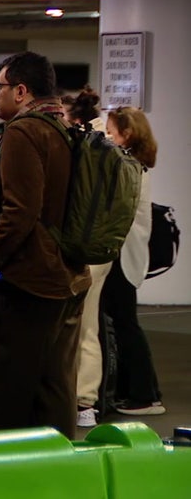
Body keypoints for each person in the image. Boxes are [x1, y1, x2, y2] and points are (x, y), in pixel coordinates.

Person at [0, 52, 91, 439]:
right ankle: (56, 470)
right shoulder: (62, 126)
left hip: (27, 281)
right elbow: (48, 203)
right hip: (67, 275)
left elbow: (21, 215)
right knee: (54, 387)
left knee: (2, 391)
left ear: (20, 91)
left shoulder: (22, 131)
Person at [101, 106, 163, 416]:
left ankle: (143, 396)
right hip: (127, 255)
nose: (106, 136)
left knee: (126, 325)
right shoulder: (136, 166)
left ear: (127, 134)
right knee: (125, 325)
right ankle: (143, 391)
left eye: (111, 131)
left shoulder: (128, 168)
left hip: (123, 256)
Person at [62, 86, 112, 428]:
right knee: (86, 323)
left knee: (83, 325)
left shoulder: (82, 149)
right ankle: (81, 400)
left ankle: (83, 400)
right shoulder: (104, 148)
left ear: (75, 119)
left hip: (83, 246)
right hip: (100, 246)